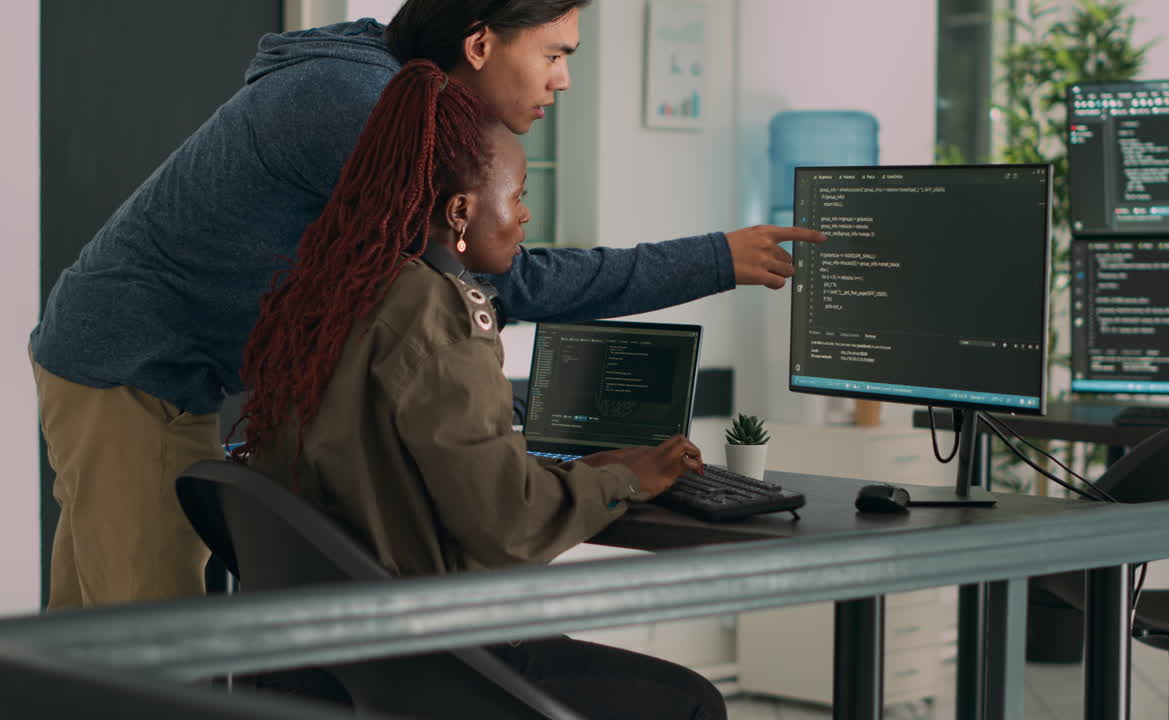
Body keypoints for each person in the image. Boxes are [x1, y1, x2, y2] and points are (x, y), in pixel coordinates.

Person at [31, 0, 822, 610]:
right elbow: (509, 280)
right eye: (553, 53)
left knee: (88, 639)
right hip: (134, 371)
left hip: (139, 360)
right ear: (480, 44)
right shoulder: (369, 111)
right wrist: (716, 258)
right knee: (149, 654)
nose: (563, 79)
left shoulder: (380, 85)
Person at [238, 58, 724, 719]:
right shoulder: (436, 312)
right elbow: (506, 523)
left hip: (323, 655)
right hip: (433, 658)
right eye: (519, 196)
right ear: (461, 209)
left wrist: (577, 470)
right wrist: (624, 479)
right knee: (693, 703)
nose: (524, 217)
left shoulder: (325, 293)